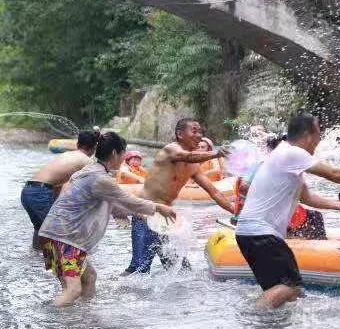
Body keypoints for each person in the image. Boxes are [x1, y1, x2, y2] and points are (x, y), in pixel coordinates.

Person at [235, 113, 340, 309]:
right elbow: (334, 173)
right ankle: (253, 318)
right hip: (260, 233)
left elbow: (307, 197)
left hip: (250, 233)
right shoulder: (292, 153)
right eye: (318, 134)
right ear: (308, 135)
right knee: (290, 287)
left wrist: (339, 206)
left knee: (285, 290)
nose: (319, 140)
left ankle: (268, 324)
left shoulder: (285, 156)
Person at [37, 131, 176, 307]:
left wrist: (137, 214)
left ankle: (83, 316)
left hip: (60, 236)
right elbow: (127, 199)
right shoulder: (100, 178)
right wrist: (157, 207)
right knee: (72, 290)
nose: (124, 158)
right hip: (63, 238)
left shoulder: (92, 172)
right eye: (124, 153)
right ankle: (47, 318)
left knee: (89, 278)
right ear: (115, 153)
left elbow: (112, 203)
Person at [122, 118, 233, 275]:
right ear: (180, 134)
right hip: (145, 215)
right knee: (138, 271)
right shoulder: (170, 150)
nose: (199, 135)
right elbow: (186, 156)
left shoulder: (194, 167)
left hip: (165, 219)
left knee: (182, 272)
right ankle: (111, 287)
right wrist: (216, 153)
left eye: (200, 132)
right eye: (194, 131)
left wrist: (235, 211)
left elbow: (214, 192)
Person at [20, 129, 100, 249]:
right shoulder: (87, 161)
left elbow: (57, 186)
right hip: (40, 193)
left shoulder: (66, 155)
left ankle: (35, 256)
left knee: (40, 228)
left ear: (77, 144)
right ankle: (65, 259)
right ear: (94, 148)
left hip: (28, 191)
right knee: (58, 232)